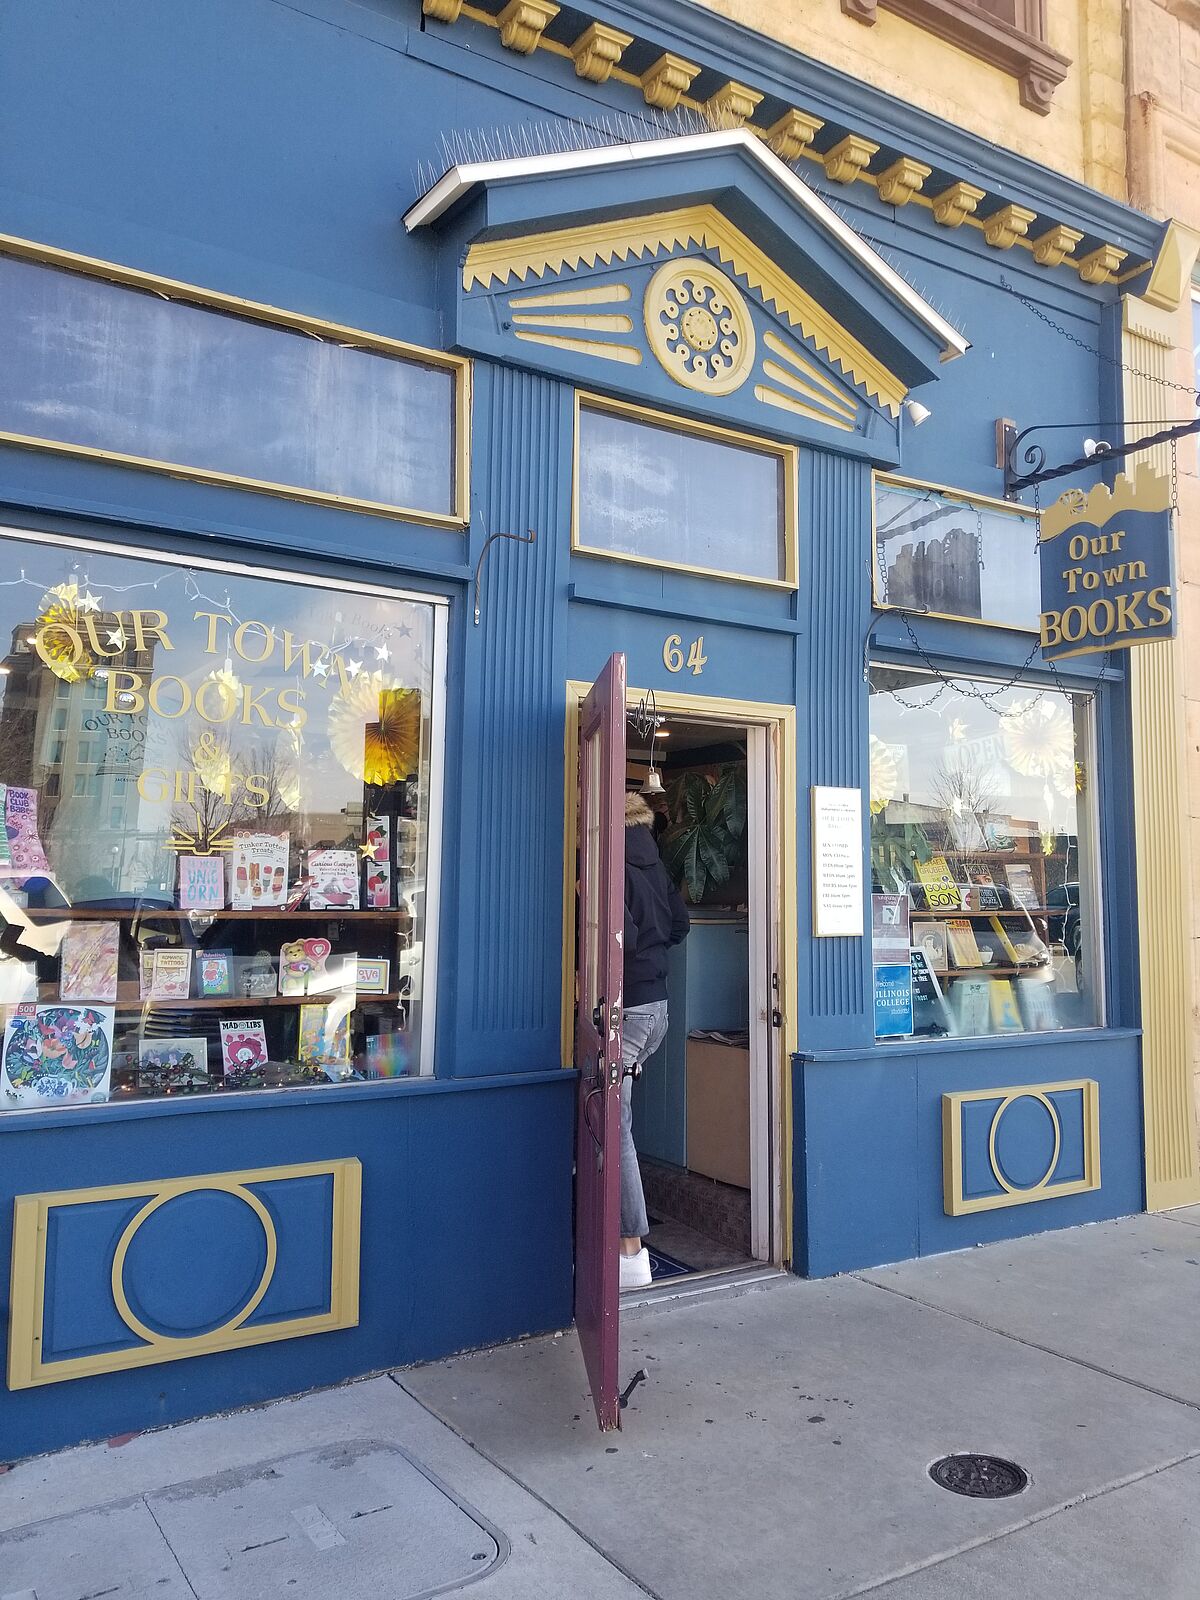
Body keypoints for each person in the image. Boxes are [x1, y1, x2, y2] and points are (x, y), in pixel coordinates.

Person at [619, 790, 690, 1290]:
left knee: (612, 1128)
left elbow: (614, 937)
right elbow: (680, 925)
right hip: (658, 1009)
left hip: (624, 1011)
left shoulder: (609, 863)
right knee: (609, 1122)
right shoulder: (655, 864)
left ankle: (629, 1253)